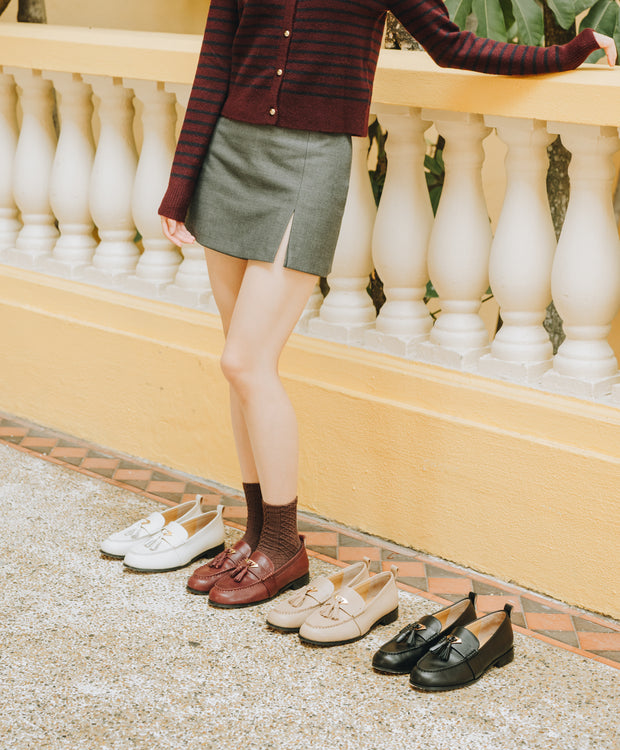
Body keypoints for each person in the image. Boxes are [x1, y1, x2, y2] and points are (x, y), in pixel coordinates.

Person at [159, 1, 615, 609]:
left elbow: (451, 44)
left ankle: (285, 546)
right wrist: (180, 187)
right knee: (239, 370)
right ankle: (255, 536)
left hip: (307, 162)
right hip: (228, 155)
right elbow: (215, 63)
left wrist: (568, 50)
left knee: (246, 363)